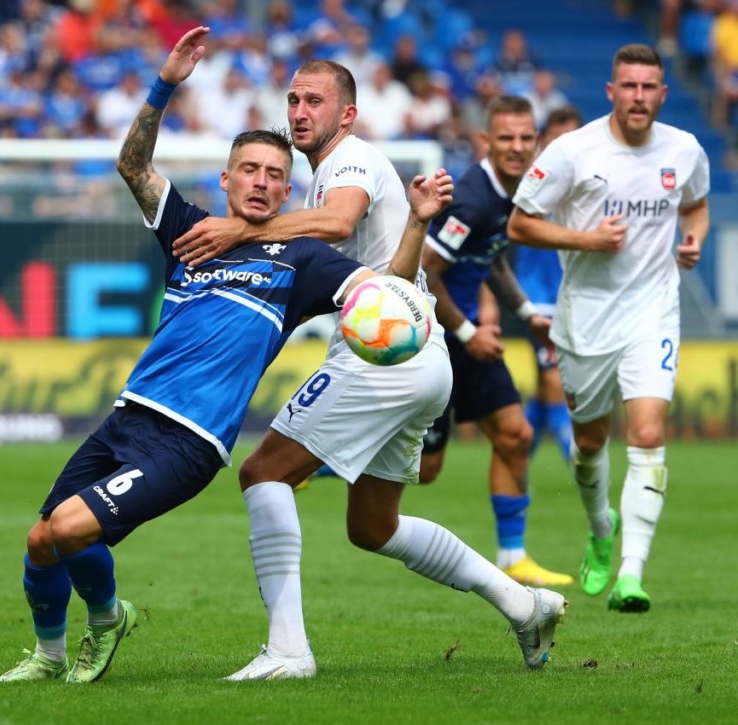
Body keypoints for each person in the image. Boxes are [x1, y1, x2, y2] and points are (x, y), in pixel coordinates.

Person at [0, 26, 458, 685]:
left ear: (288, 189)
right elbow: (132, 165)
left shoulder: (299, 259)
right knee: (44, 540)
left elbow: (383, 290)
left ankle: (106, 620)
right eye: (251, 171)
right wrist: (165, 85)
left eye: (276, 175)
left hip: (188, 443)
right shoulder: (192, 231)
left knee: (70, 526)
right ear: (227, 177)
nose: (263, 182)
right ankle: (51, 652)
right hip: (128, 416)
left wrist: (414, 227)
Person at [172, 56, 566, 680]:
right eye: (294, 99)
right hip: (419, 354)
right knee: (372, 526)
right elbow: (377, 270)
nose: (300, 112)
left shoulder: (348, 162)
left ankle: (288, 652)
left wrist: (237, 230)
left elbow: (337, 222)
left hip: (382, 358)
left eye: (315, 102)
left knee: (263, 472)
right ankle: (525, 605)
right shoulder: (321, 178)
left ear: (346, 114)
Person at [508, 44, 710, 613]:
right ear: (611, 91)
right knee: (591, 442)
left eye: (649, 87)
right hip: (586, 317)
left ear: (663, 94)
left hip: (653, 310)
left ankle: (631, 572)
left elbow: (694, 206)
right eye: (629, 86)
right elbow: (520, 223)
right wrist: (585, 239)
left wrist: (694, 240)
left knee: (646, 434)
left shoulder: (685, 149)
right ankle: (601, 531)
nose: (639, 97)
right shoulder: (573, 152)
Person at [418, 96, 573, 588]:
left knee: (515, 435)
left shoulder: (518, 192)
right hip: (439, 338)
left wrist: (526, 312)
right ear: (487, 140)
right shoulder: (472, 199)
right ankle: (325, 460)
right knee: (424, 470)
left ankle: (512, 556)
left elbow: (492, 256)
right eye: (506, 138)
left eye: (526, 138)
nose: (517, 147)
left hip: (469, 339)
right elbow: (426, 271)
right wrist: (466, 332)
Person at [512, 105, 583, 463]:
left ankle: (520, 450)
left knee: (548, 382)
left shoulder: (590, 179)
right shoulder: (532, 180)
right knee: (555, 377)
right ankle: (578, 460)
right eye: (558, 139)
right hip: (538, 299)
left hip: (575, 295)